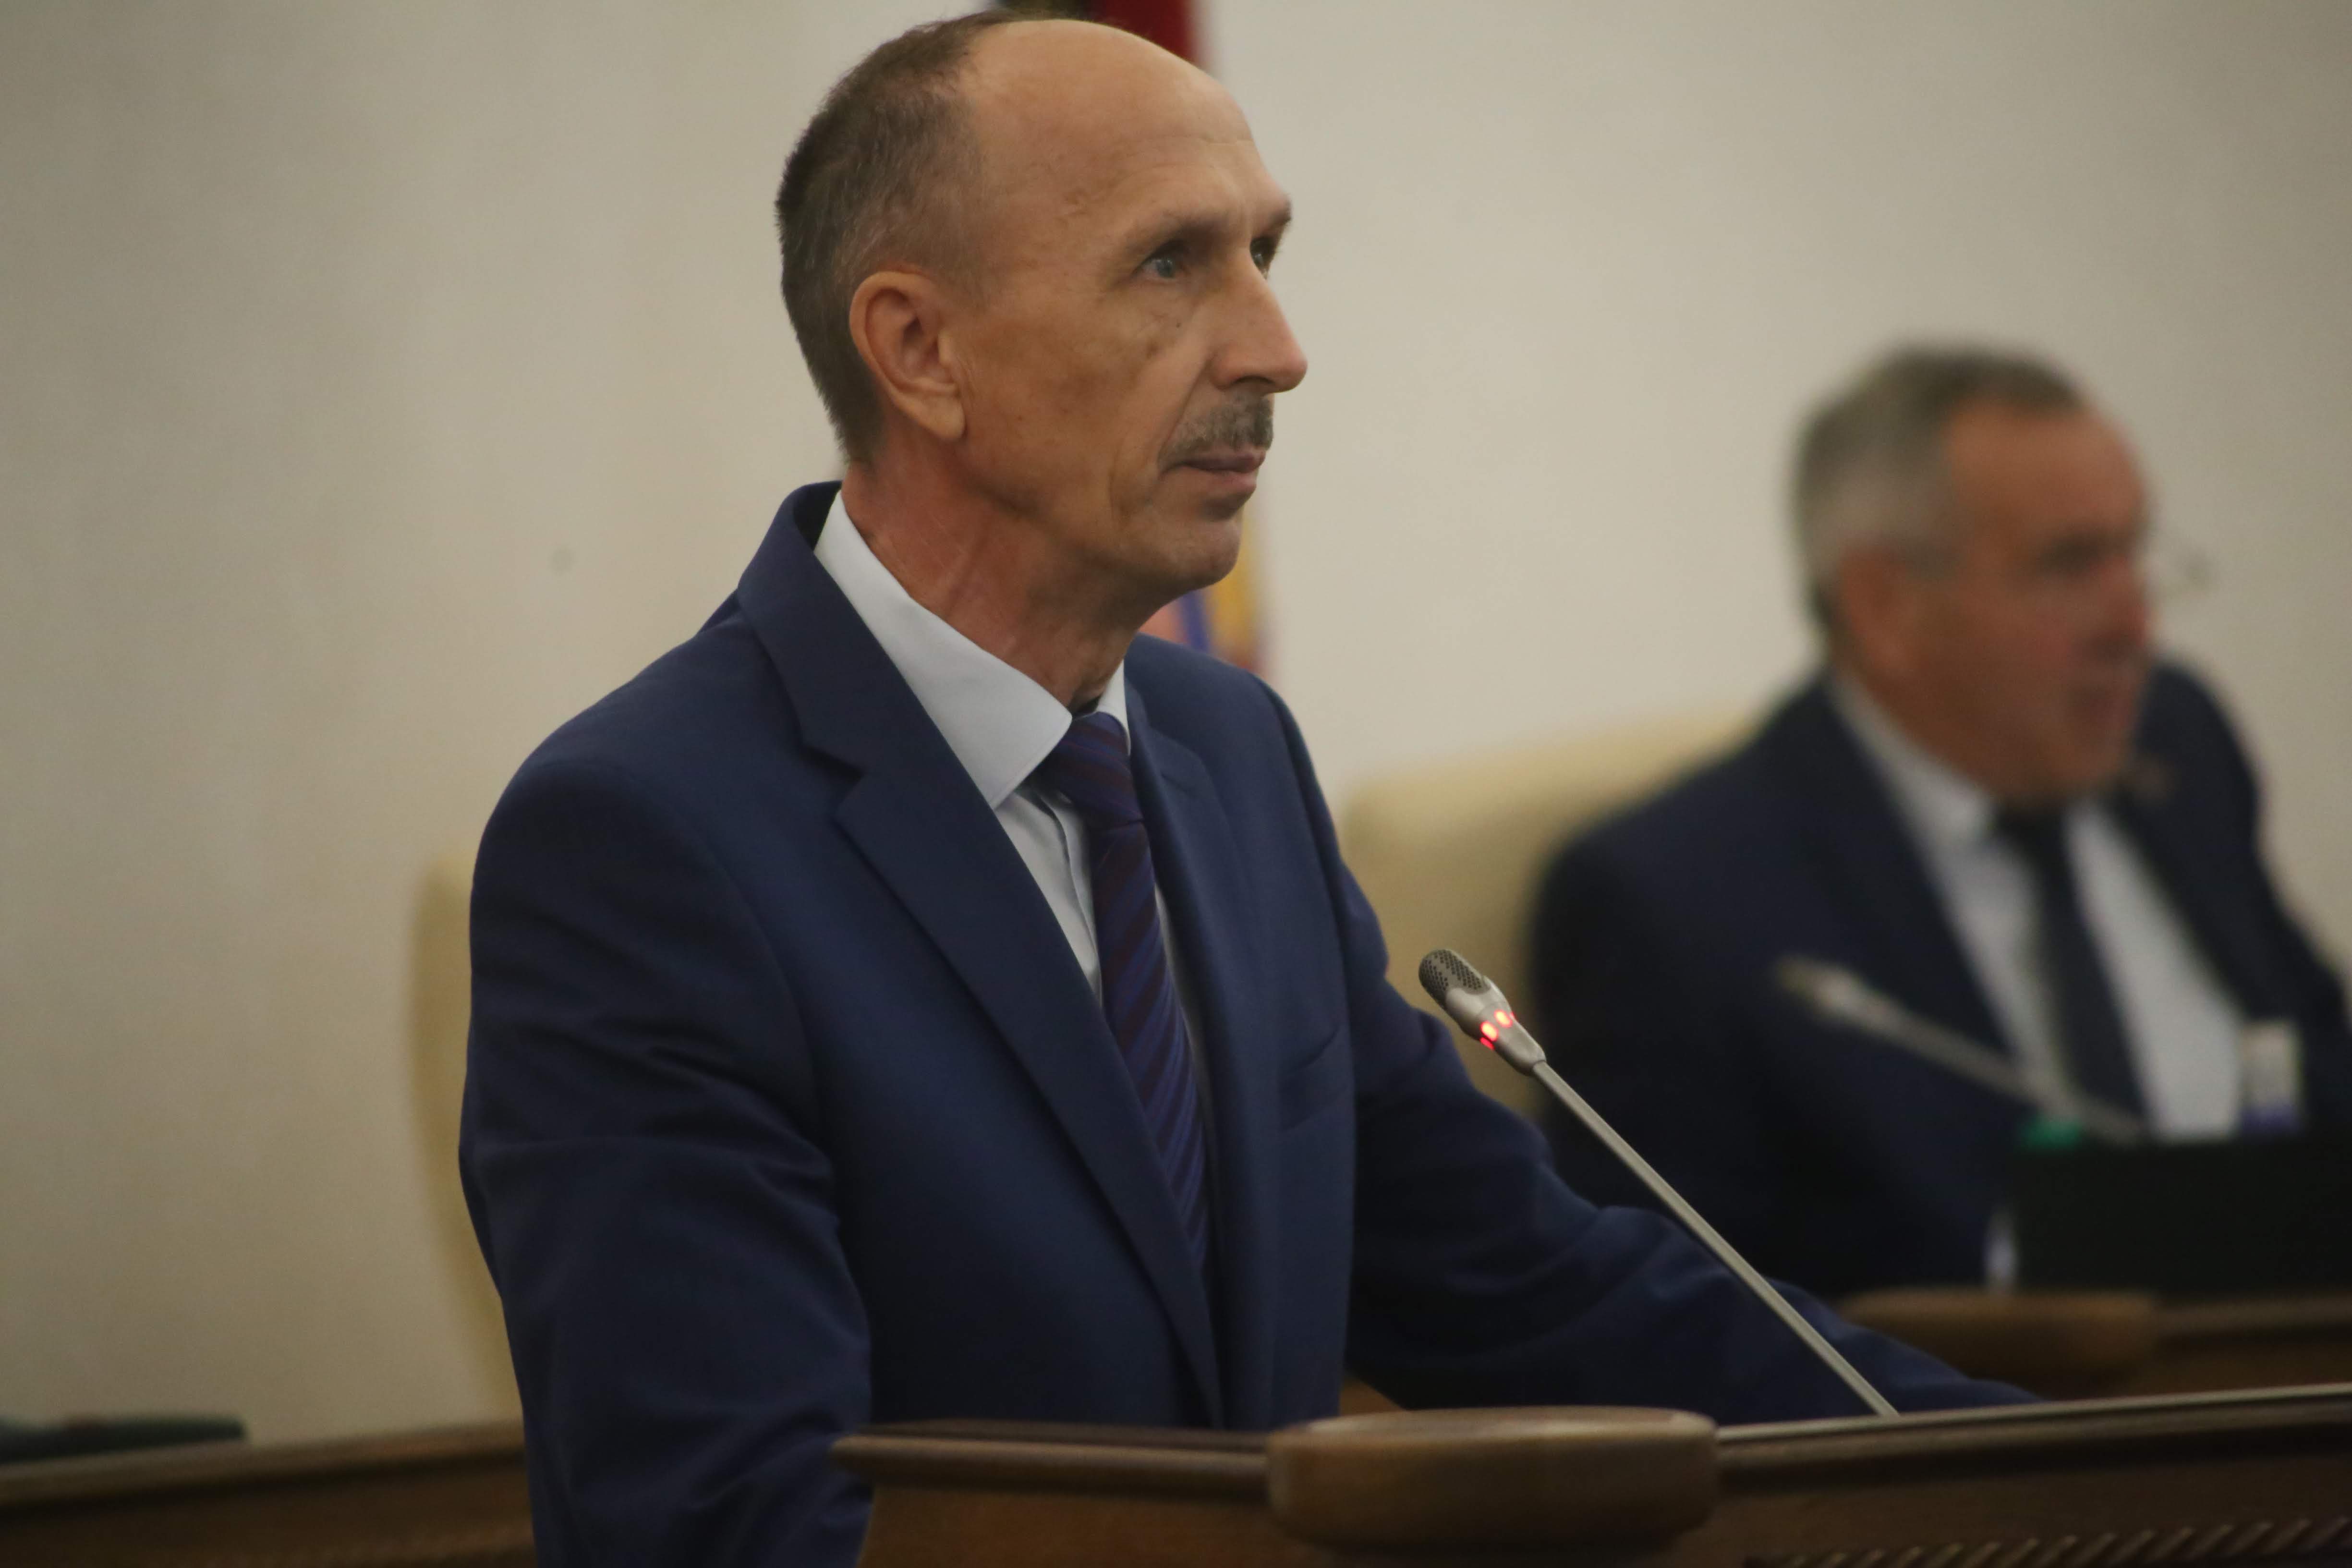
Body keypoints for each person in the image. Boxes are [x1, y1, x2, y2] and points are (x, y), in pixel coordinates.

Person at [460, 23, 2019, 1567]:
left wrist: (2039, 1474)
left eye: (1263, 253)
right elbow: (735, 1521)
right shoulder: (643, 842)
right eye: (1169, 263)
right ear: (920, 350)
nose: (1276, 346)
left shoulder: (1227, 755)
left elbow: (1522, 1283)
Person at [1532, 346, 2352, 1301]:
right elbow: (1670, 1310)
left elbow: (2315, 1059)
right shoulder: (1674, 900)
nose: (2134, 626)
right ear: (1883, 606)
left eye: (2133, 551)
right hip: (1983, 1389)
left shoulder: (2177, 741)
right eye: (2069, 564)